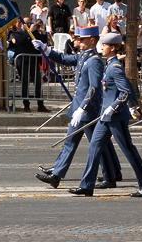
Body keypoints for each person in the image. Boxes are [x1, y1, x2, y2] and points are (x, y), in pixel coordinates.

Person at [33, 27, 122, 189]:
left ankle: (109, 175)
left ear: (92, 41)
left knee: (94, 144)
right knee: (81, 142)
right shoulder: (84, 56)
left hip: (87, 110)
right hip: (79, 109)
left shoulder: (94, 60)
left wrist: (83, 108)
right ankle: (58, 174)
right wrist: (45, 48)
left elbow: (94, 87)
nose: (78, 41)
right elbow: (64, 58)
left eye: (82, 39)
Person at [69, 33, 142, 197]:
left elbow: (125, 91)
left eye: (105, 45)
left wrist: (115, 107)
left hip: (114, 117)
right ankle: (87, 185)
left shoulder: (114, 68)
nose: (102, 48)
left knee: (128, 150)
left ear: (113, 48)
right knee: (94, 146)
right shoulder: (109, 65)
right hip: (105, 116)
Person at [8, 18, 50, 113]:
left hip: (34, 61)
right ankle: (26, 105)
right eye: (27, 23)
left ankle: (40, 105)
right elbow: (19, 41)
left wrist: (42, 32)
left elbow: (43, 42)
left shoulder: (34, 34)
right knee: (25, 83)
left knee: (38, 83)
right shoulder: (15, 33)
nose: (29, 24)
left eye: (30, 23)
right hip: (23, 61)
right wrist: (29, 31)